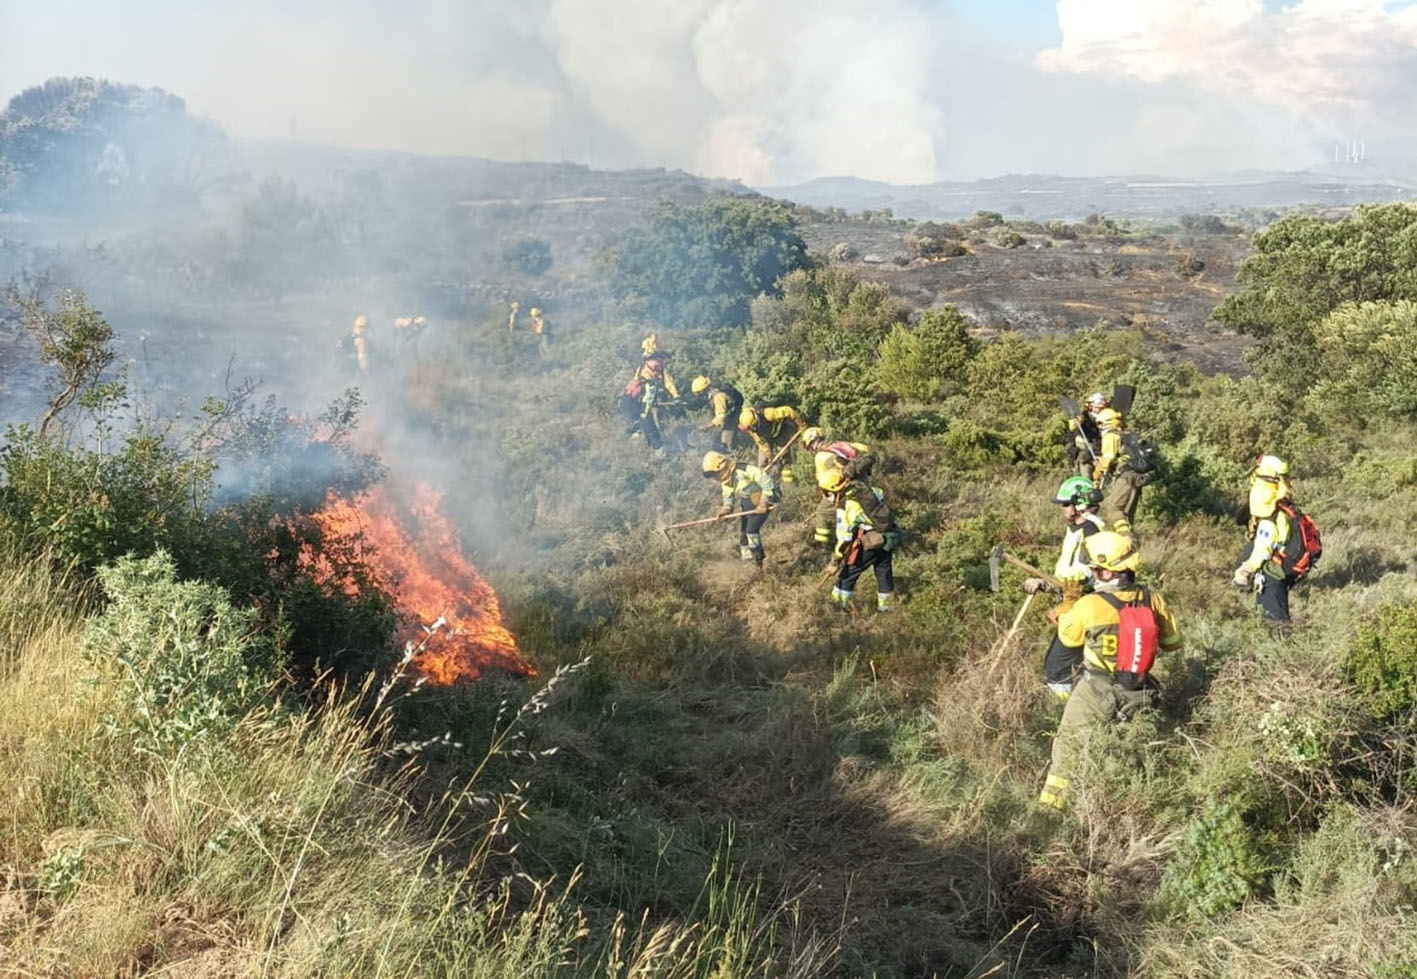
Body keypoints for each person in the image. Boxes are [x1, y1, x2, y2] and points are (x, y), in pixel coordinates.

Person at [1038, 531, 1181, 811]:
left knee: (1068, 748)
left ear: (1104, 572)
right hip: (1140, 690)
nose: (1090, 572)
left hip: (1095, 690)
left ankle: (1050, 812)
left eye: (1093, 568)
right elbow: (1174, 643)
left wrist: (1068, 606)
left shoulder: (1089, 605)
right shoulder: (1153, 599)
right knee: (1134, 753)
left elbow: (1068, 639)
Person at [1025, 476, 1108, 700]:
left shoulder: (1092, 533)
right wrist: (1046, 584)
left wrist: (1066, 607)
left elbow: (1089, 580)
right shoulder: (1075, 529)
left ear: (1078, 504)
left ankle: (1064, 712)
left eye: (1064, 504)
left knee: (1057, 667)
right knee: (1076, 664)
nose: (1061, 509)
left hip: (1085, 607)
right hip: (1074, 602)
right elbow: (1069, 575)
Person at [1233, 454, 1307, 624]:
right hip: (1286, 567)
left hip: (1273, 573)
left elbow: (1262, 551)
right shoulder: (1284, 507)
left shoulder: (1268, 518)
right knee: (1277, 612)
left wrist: (1244, 572)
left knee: (1273, 621)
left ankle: (1281, 648)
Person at [821, 460, 899, 613]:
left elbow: (844, 538)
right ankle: (887, 610)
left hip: (869, 542)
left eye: (825, 493)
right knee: (884, 573)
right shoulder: (867, 490)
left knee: (849, 573)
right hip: (887, 537)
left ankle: (838, 608)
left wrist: (835, 563)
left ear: (832, 491)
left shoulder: (846, 505)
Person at [803, 427, 875, 546]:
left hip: (845, 490)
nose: (811, 450)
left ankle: (823, 545)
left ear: (814, 441)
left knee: (822, 511)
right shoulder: (841, 445)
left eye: (810, 446)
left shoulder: (820, 456)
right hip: (864, 484)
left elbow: (824, 481)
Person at [702, 451, 775, 567]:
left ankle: (758, 563)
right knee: (743, 535)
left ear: (722, 466)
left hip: (762, 500)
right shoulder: (726, 481)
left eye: (715, 474)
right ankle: (747, 563)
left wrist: (763, 503)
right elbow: (728, 496)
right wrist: (726, 509)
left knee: (751, 532)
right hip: (747, 504)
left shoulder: (744, 469)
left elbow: (767, 480)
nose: (715, 478)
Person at [1091, 403, 1146, 535]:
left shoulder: (1111, 436)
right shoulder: (1127, 434)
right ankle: (1132, 545)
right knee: (1127, 514)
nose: (1099, 427)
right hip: (1137, 477)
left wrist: (1096, 474)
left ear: (1107, 423)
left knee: (1114, 509)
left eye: (1100, 423)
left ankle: (1125, 538)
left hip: (1126, 476)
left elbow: (1107, 458)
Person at [738, 403, 807, 483]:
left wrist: (801, 424)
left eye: (751, 427)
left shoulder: (768, 413)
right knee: (762, 463)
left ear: (756, 420)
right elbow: (762, 444)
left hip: (782, 431)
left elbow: (789, 411)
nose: (751, 430)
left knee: (783, 456)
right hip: (768, 438)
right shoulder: (751, 429)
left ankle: (790, 482)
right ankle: (767, 484)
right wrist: (770, 456)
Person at [691, 375, 744, 451]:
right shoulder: (715, 391)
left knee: (724, 445)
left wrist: (707, 426)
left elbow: (721, 418)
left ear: (703, 391)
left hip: (732, 417)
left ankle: (733, 457)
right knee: (718, 442)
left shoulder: (718, 397)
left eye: (698, 394)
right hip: (731, 415)